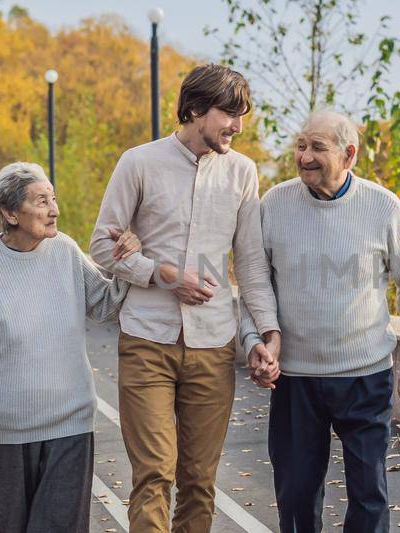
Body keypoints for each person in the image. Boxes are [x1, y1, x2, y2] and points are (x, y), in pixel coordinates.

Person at [89, 64, 281, 533]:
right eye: (229, 114)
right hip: (146, 342)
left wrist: (269, 334)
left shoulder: (241, 172)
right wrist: (161, 273)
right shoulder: (139, 163)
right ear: (195, 109)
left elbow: (251, 265)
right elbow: (99, 246)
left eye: (242, 116)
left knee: (199, 480)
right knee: (154, 473)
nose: (237, 126)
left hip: (213, 347)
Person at [240, 110, 400, 533]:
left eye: (317, 148)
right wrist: (253, 339)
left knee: (369, 498)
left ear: (349, 154)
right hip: (294, 380)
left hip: (365, 378)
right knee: (295, 496)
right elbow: (254, 285)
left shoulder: (382, 207)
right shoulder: (274, 204)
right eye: (301, 146)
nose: (304, 156)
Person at [0, 162, 139, 532]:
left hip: (70, 426)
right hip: (5, 436)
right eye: (41, 201)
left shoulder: (65, 251)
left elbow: (105, 305)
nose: (54, 209)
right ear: (10, 213)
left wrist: (125, 262)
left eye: (53, 199)